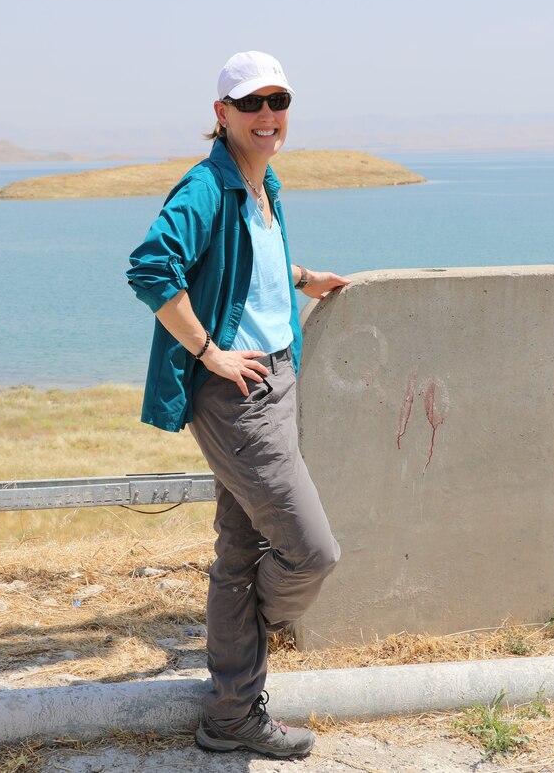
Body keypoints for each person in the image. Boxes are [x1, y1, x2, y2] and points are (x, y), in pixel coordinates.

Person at [126, 50, 349, 759]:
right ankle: (253, 641)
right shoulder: (206, 189)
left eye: (277, 102)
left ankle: (230, 715)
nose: (267, 116)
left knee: (237, 550)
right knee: (310, 552)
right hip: (237, 396)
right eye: (251, 103)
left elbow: (247, 264)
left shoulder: (262, 182)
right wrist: (208, 353)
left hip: (277, 381)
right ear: (221, 114)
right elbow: (150, 267)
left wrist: (305, 277)